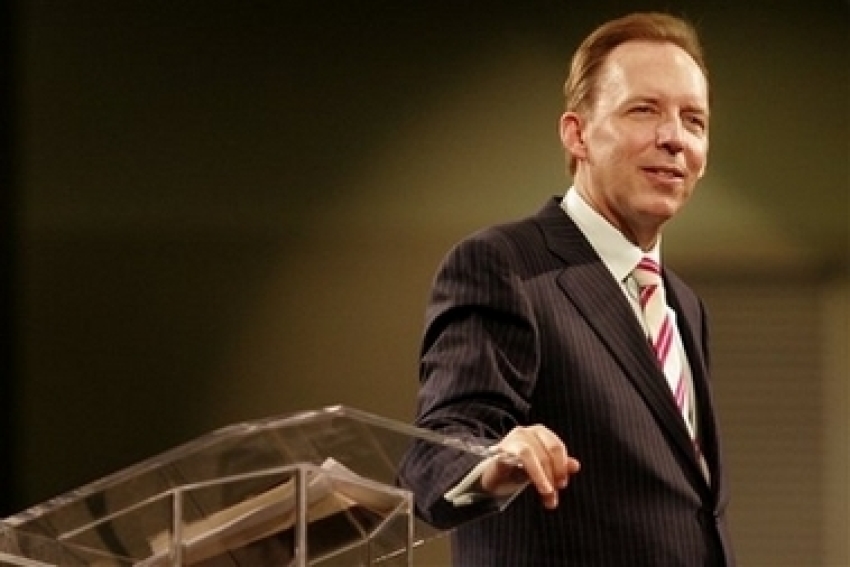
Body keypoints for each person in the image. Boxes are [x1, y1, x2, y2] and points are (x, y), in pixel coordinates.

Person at [398, 11, 735, 567]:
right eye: (644, 110)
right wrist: (494, 460)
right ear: (576, 134)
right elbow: (437, 453)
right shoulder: (504, 265)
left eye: (693, 120)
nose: (674, 138)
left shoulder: (686, 306)